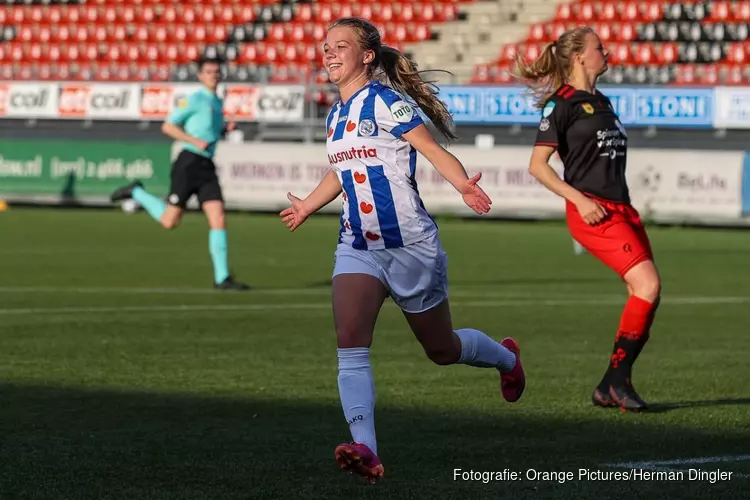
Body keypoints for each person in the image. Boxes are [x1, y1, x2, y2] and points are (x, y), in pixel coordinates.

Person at [279, 17, 527, 483]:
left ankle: (507, 358)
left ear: (367, 55)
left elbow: (429, 149)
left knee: (442, 349)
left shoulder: (386, 101)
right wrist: (309, 205)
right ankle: (366, 450)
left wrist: (462, 185)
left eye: (340, 46)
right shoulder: (336, 114)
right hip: (358, 245)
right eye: (325, 47)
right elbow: (341, 168)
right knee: (350, 346)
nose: (328, 54)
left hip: (410, 244)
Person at [516, 27, 661, 412]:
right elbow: (537, 166)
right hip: (593, 210)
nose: (606, 51)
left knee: (646, 294)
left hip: (620, 209)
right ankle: (615, 381)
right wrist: (578, 200)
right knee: (647, 284)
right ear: (579, 56)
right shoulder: (560, 104)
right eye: (599, 47)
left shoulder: (603, 101)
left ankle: (613, 384)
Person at [110, 57, 249, 291]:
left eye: (217, 71)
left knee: (218, 218)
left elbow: (210, 131)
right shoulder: (195, 100)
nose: (213, 75)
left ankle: (222, 278)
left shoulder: (216, 102)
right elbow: (168, 126)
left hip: (207, 165)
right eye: (209, 72)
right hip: (189, 162)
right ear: (200, 76)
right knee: (169, 221)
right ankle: (136, 192)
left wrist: (225, 128)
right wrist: (193, 140)